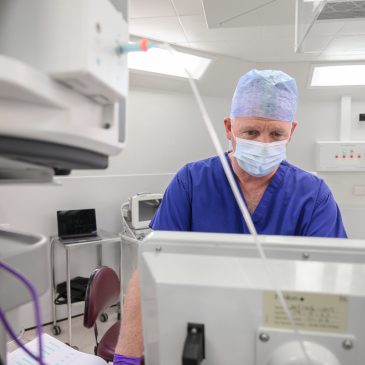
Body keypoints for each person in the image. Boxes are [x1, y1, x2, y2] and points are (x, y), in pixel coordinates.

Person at [113, 69, 347, 364]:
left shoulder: (313, 196)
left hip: (282, 340)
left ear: (292, 131)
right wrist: (126, 356)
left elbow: (333, 284)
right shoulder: (191, 182)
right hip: (197, 335)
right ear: (228, 127)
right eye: (250, 132)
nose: (263, 143)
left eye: (276, 134)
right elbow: (149, 271)